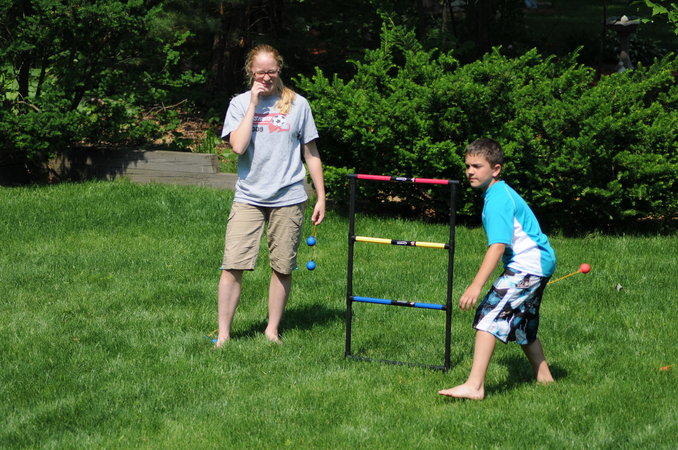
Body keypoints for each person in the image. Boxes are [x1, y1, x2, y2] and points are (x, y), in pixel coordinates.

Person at [215, 44, 325, 346]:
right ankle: (223, 335)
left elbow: (311, 153)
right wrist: (253, 104)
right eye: (260, 72)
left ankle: (272, 330)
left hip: (289, 196)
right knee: (233, 264)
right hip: (249, 196)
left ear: (279, 70)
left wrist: (321, 196)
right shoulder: (239, 104)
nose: (266, 77)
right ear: (251, 71)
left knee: (282, 266)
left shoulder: (298, 105)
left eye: (271, 71)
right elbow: (238, 147)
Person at [438, 138, 555, 400]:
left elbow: (498, 247)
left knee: (488, 316)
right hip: (539, 262)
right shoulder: (498, 193)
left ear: (496, 169)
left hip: (528, 264)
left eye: (477, 166)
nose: (470, 171)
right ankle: (545, 379)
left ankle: (475, 386)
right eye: (468, 166)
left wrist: (476, 285)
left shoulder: (498, 200)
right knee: (523, 324)